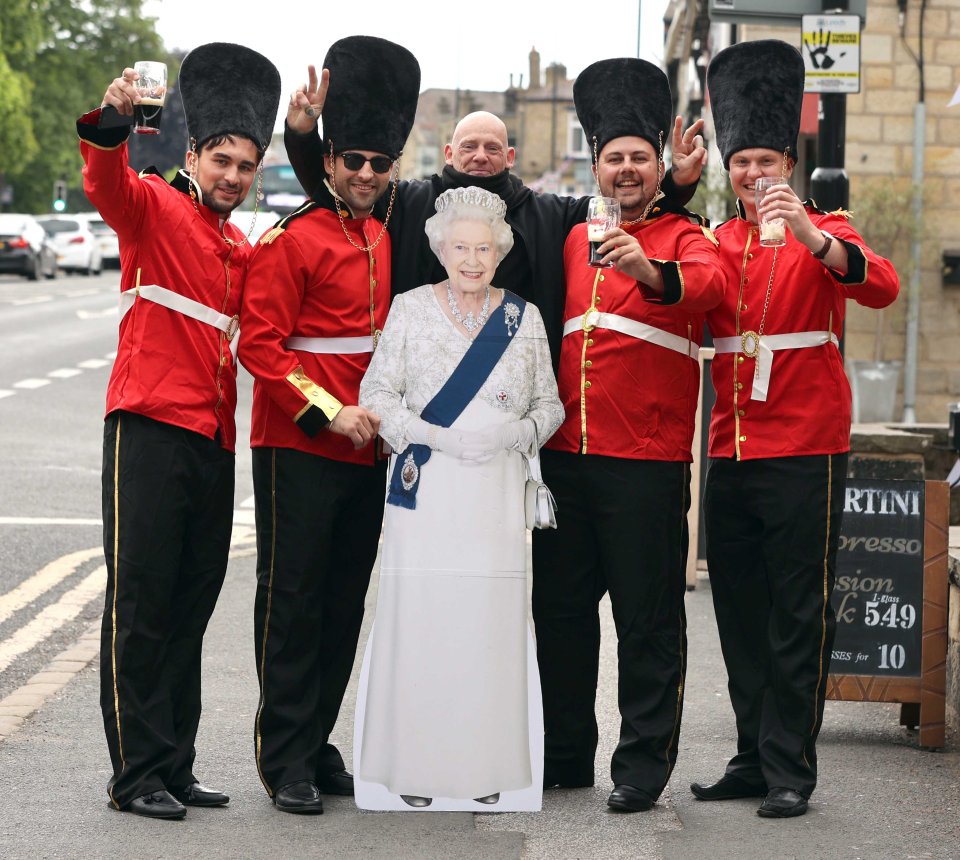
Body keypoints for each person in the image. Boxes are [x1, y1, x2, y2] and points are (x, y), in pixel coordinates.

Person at [691, 39, 900, 818]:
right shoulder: (715, 241)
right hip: (732, 448)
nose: (752, 176)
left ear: (788, 161)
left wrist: (812, 235)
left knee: (797, 612)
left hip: (806, 446)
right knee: (740, 612)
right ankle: (751, 755)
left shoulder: (828, 227)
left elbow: (881, 286)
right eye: (739, 163)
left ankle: (790, 768)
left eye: (764, 162)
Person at [79, 43, 280, 820]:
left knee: (191, 605)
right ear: (192, 153)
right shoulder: (154, 206)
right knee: (143, 604)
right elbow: (105, 179)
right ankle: (135, 774)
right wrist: (114, 122)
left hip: (211, 441)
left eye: (245, 166)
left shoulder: (240, 246)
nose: (232, 176)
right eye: (221, 160)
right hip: (147, 427)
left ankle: (175, 762)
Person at [532, 58, 725, 812]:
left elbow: (706, 291)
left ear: (658, 163)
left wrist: (650, 265)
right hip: (566, 460)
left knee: (648, 624)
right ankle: (564, 754)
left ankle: (642, 765)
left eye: (639, 158)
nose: (626, 171)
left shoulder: (688, 235)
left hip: (644, 465)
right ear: (597, 163)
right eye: (613, 159)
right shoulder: (570, 231)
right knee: (563, 619)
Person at [237, 36, 420, 816]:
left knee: (345, 602)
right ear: (332, 162)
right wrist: (328, 410)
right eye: (353, 162)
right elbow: (261, 347)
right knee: (295, 600)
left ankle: (315, 739)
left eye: (380, 164)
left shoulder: (387, 233)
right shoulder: (291, 238)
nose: (367, 176)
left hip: (368, 450)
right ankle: (283, 758)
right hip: (300, 447)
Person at [356, 186, 563, 810]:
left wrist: (513, 434)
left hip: (495, 495)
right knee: (425, 621)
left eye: (484, 248)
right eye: (460, 247)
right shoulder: (410, 309)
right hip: (428, 488)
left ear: (500, 252)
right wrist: (429, 435)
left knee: (487, 628)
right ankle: (417, 770)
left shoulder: (522, 319)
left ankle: (484, 769)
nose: (472, 259)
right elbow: (377, 393)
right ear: (440, 248)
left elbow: (550, 404)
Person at [284, 68, 708, 366]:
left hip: (515, 384)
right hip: (423, 377)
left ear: (510, 157)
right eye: (469, 146)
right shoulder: (405, 202)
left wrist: (678, 181)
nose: (480, 156)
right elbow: (336, 192)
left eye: (492, 148)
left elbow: (628, 205)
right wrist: (302, 135)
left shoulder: (551, 214)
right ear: (450, 153)